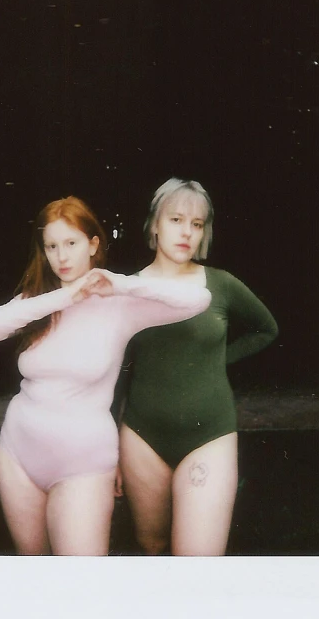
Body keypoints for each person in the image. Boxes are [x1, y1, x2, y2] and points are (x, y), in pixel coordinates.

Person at [0, 195, 211, 556]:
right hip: (17, 453)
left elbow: (198, 299)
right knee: (32, 574)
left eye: (71, 243)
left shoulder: (121, 306)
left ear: (93, 244)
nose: (62, 256)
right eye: (51, 246)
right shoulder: (39, 301)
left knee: (80, 584)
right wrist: (65, 297)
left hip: (82, 463)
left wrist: (123, 285)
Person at [118, 178, 278, 556]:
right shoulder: (126, 290)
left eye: (197, 223)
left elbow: (267, 330)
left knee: (199, 563)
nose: (187, 232)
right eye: (176, 220)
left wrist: (214, 360)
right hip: (142, 440)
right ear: (155, 224)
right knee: (152, 548)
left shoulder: (221, 285)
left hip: (209, 438)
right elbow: (110, 370)